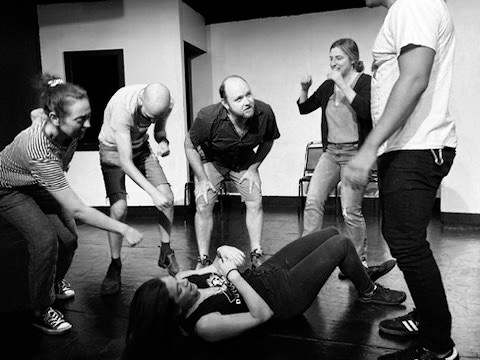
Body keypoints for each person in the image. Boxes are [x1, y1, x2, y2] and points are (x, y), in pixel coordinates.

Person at [345, 1, 458, 359]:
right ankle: (426, 318)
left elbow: (414, 78)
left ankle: (440, 348)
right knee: (402, 237)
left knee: (406, 241)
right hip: (410, 145)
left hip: (417, 146)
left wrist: (368, 148)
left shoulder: (413, 3)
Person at [121, 227, 407, 360]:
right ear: (174, 310)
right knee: (341, 244)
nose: (182, 281)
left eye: (175, 281)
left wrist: (223, 254)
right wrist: (231, 273)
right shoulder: (204, 325)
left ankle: (359, 272)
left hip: (265, 273)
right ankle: (368, 290)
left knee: (331, 232)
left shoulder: (185, 277)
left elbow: (217, 264)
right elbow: (262, 314)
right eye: (178, 290)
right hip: (281, 299)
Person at [0, 74, 143, 335]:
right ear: (55, 118)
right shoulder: (38, 150)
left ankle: (52, 283)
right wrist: (123, 229)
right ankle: (41, 310)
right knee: (45, 240)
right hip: (9, 189)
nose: (88, 124)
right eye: (80, 119)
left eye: (88, 115)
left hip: (38, 183)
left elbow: (36, 112)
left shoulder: (61, 125)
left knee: (69, 239)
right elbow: (79, 210)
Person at [297, 38, 396, 281]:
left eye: (338, 58)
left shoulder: (365, 82)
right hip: (331, 154)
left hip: (354, 154)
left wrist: (342, 83)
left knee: (350, 211)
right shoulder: (328, 85)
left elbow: (365, 111)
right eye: (330, 58)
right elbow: (304, 107)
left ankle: (357, 263)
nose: (333, 62)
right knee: (312, 202)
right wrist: (304, 88)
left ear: (353, 59)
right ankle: (306, 257)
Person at [185, 75, 280, 269]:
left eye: (248, 95)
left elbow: (268, 140)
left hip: (244, 161)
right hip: (213, 160)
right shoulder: (208, 117)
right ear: (225, 104)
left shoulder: (264, 112)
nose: (247, 102)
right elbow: (189, 145)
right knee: (203, 203)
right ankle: (203, 259)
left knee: (255, 199)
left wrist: (254, 168)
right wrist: (202, 179)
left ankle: (256, 252)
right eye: (238, 99)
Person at [98, 83, 178, 296]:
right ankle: (115, 265)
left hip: (141, 148)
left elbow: (159, 130)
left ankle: (166, 250)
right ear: (141, 99)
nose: (148, 120)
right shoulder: (122, 108)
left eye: (153, 117)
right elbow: (125, 162)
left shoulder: (165, 104)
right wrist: (153, 193)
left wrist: (163, 141)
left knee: (168, 197)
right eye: (147, 115)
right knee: (119, 209)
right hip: (113, 151)